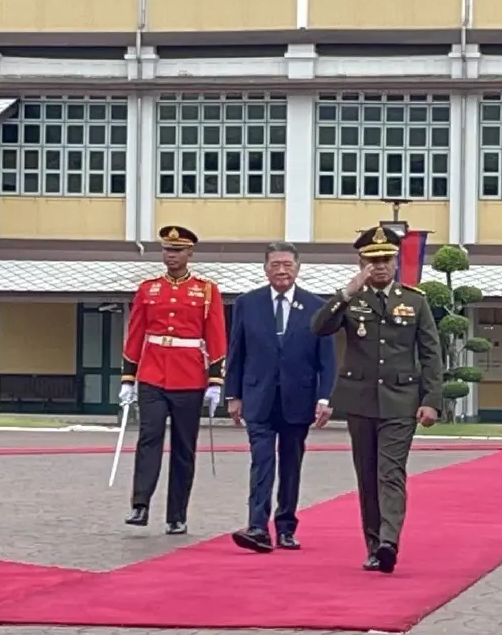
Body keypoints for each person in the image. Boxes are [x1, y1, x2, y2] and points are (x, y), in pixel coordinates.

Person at [310, 225, 444, 574]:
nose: (380, 265)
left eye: (386, 259)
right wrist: (345, 291)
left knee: (390, 471)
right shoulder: (352, 298)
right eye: (373, 260)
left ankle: (389, 541)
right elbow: (319, 327)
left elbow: (431, 353)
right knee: (367, 475)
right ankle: (373, 545)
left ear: (396, 261)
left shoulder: (415, 300)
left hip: (401, 399)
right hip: (360, 399)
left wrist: (431, 399)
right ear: (361, 263)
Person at [225, 241, 337, 553]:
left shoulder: (316, 306)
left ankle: (286, 527)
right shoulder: (249, 303)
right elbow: (237, 352)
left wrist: (325, 398)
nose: (281, 270)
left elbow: (326, 359)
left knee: (290, 465)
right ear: (265, 269)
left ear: (298, 268)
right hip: (258, 396)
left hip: (297, 399)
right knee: (261, 461)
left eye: (287, 264)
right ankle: (257, 526)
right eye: (275, 264)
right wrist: (232, 394)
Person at [120, 225, 227, 535]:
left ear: (190, 253)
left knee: (183, 448)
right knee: (149, 438)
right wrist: (129, 376)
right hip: (152, 373)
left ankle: (177, 514)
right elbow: (136, 333)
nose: (172, 255)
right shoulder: (148, 289)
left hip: (189, 376)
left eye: (178, 250)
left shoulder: (206, 290)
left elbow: (216, 336)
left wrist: (215, 381)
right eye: (167, 249)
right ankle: (140, 505)